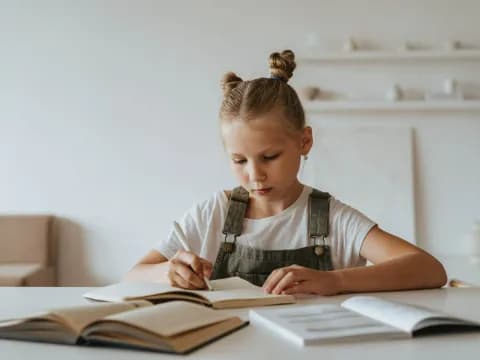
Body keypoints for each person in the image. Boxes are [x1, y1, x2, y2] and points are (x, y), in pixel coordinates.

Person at [125, 50, 447, 296]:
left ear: (304, 141)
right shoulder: (213, 213)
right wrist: (167, 271)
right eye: (239, 161)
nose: (255, 175)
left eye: (269, 157)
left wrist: (334, 280)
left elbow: (429, 269)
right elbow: (134, 274)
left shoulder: (332, 217)